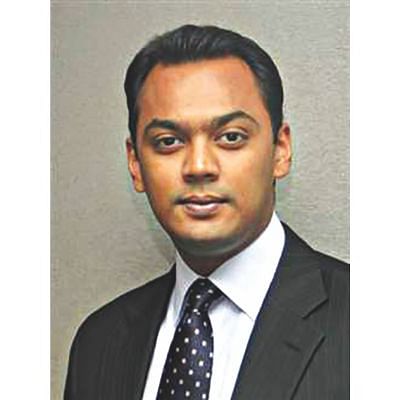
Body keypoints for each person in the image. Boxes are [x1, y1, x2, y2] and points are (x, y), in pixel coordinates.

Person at [64, 25, 349, 400]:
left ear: (280, 150)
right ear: (135, 164)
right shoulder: (99, 343)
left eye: (231, 137)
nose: (199, 166)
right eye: (169, 141)